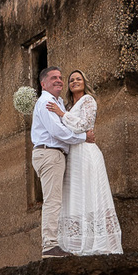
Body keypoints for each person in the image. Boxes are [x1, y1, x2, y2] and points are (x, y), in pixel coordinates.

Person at [57, 69, 122, 254]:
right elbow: (67, 131)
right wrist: (65, 116)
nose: (75, 82)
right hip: (74, 154)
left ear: (84, 82)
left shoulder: (88, 101)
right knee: (75, 193)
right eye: (71, 80)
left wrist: (62, 115)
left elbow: (85, 125)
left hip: (87, 153)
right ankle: (75, 243)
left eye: (78, 79)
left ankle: (96, 242)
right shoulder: (69, 106)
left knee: (90, 191)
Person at [30, 68, 94, 257]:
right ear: (43, 84)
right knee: (53, 201)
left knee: (58, 199)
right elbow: (57, 131)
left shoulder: (58, 103)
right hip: (49, 153)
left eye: (60, 77)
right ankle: (50, 245)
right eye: (53, 78)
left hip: (55, 154)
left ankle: (60, 242)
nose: (59, 80)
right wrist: (84, 137)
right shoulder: (46, 102)